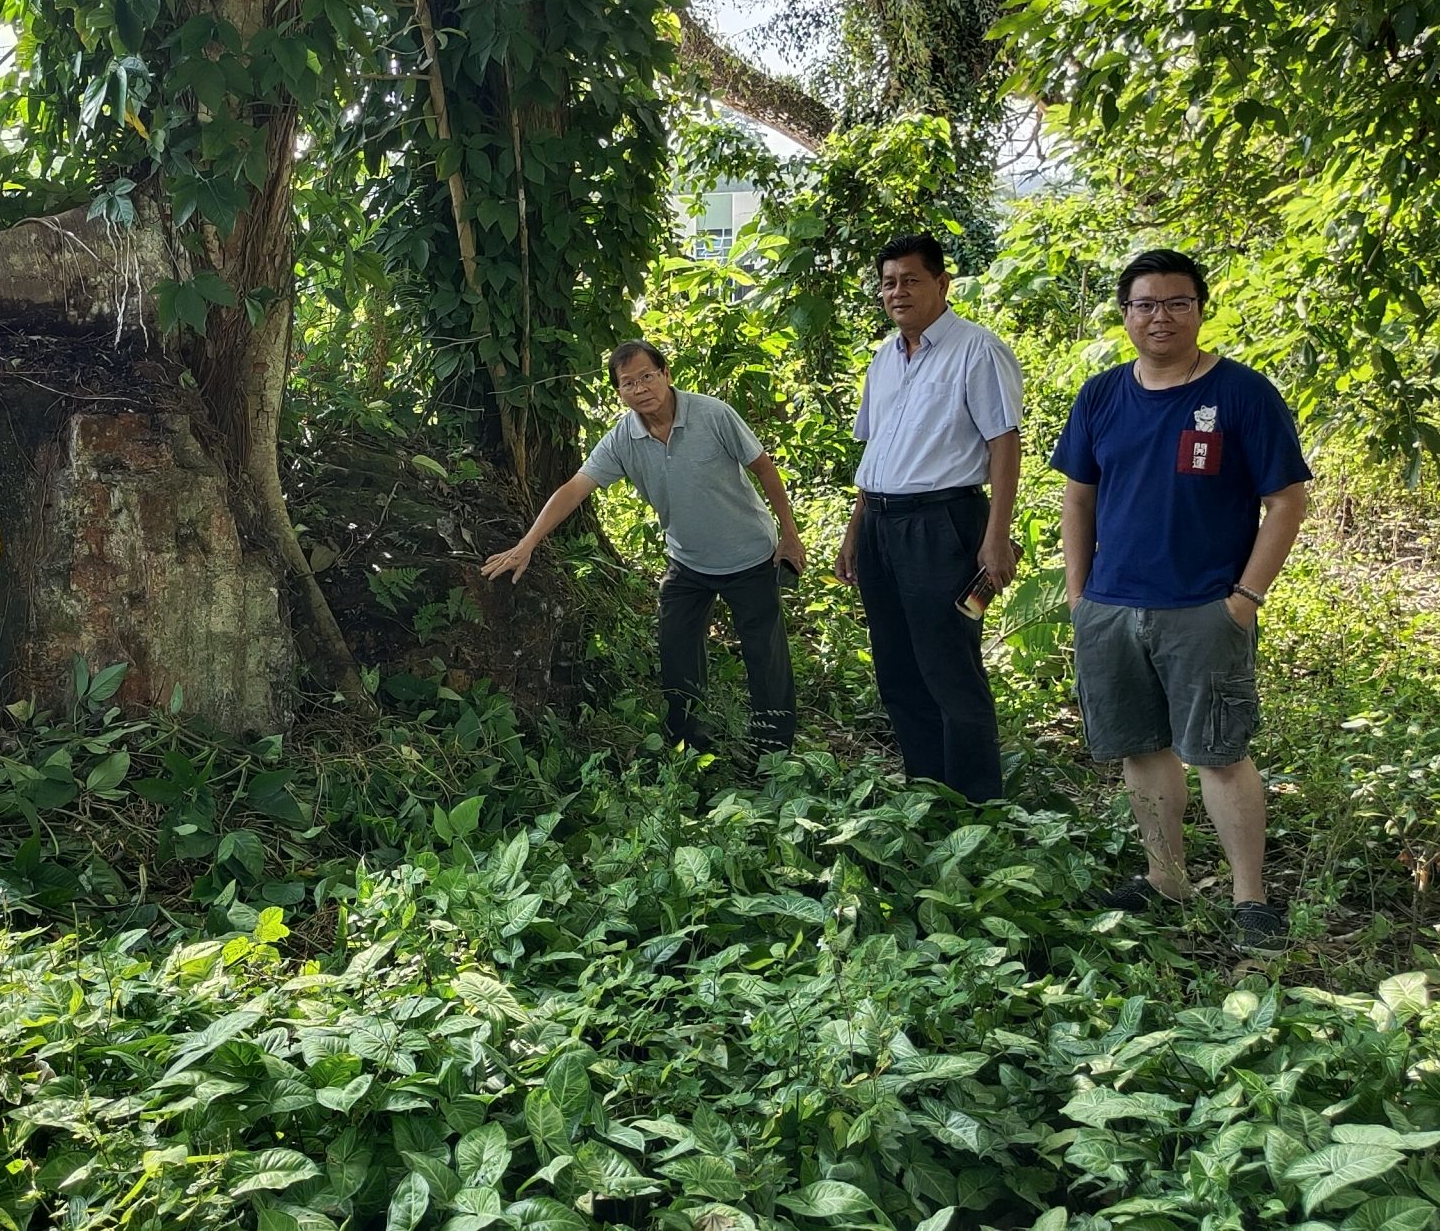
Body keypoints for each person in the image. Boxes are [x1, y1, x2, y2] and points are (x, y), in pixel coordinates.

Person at [1051, 248, 1311, 952]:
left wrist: (1246, 596)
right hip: (1111, 605)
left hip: (1204, 605)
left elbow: (1286, 501)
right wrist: (1080, 594)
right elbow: (1079, 496)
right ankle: (1165, 877)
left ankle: (1249, 898)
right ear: (1125, 314)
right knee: (1142, 748)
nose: (1160, 316)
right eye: (1145, 304)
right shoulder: (1102, 394)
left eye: (1176, 303)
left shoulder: (1242, 393)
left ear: (1199, 309)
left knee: (1220, 752)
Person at [483, 340, 805, 762]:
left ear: (666, 374)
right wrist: (527, 544)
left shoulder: (713, 415)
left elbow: (764, 467)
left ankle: (773, 753)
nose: (640, 388)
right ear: (619, 392)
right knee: (676, 655)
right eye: (628, 383)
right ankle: (692, 748)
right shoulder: (623, 439)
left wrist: (790, 534)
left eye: (647, 376)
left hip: (749, 556)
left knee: (765, 656)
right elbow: (574, 489)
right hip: (687, 562)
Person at [834, 232, 1024, 803]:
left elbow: (1004, 443)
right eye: (889, 282)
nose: (898, 292)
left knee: (949, 667)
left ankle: (975, 804)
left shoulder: (977, 350)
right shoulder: (885, 357)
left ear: (943, 283)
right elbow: (876, 452)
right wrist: (854, 533)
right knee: (897, 665)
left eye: (911, 280)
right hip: (881, 525)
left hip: (943, 523)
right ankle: (927, 792)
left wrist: (997, 540)